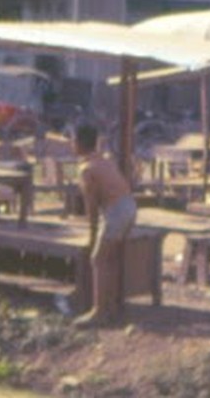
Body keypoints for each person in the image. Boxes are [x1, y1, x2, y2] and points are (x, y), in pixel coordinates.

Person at [73, 123, 136, 328]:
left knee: (98, 259)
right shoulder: (104, 160)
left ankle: (98, 312)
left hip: (117, 211)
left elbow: (91, 205)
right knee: (111, 259)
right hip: (129, 206)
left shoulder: (86, 169)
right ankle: (111, 307)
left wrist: (91, 234)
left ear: (79, 143)